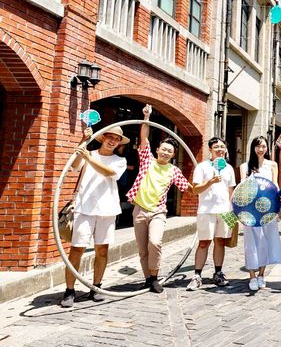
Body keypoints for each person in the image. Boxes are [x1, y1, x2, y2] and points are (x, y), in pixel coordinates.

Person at [60, 126, 129, 308]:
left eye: (117, 138)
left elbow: (110, 173)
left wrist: (89, 158)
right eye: (110, 136)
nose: (113, 141)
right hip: (84, 208)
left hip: (107, 210)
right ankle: (69, 290)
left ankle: (96, 287)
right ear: (103, 138)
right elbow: (74, 166)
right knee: (77, 250)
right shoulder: (88, 152)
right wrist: (83, 140)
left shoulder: (119, 160)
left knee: (102, 250)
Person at [126, 104, 190, 293]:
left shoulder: (174, 170)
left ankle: (154, 276)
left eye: (169, 151)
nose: (165, 153)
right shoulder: (147, 160)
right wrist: (146, 118)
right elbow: (144, 137)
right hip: (139, 209)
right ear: (158, 149)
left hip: (158, 211)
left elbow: (188, 188)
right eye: (163, 149)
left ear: (173, 155)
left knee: (155, 242)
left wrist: (208, 182)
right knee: (142, 248)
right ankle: (147, 278)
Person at [187, 137, 236, 291]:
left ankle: (218, 273)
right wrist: (210, 182)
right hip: (206, 210)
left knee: (220, 241)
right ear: (210, 149)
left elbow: (231, 191)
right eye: (216, 146)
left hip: (225, 211)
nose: (220, 149)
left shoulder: (229, 168)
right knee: (204, 242)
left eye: (222, 146)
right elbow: (195, 190)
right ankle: (197, 275)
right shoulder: (202, 167)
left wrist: (232, 213)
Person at [240, 136, 281, 291]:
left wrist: (279, 206)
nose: (261, 149)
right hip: (250, 211)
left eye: (264, 146)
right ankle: (251, 275)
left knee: (265, 241)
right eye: (258, 146)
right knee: (250, 242)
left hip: (268, 210)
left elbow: (275, 186)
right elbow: (242, 189)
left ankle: (261, 274)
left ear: (267, 148)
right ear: (253, 148)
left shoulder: (272, 165)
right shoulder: (245, 166)